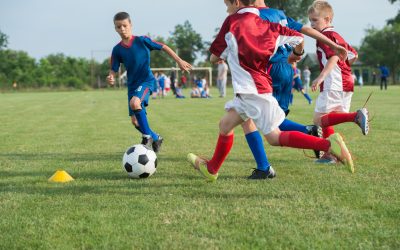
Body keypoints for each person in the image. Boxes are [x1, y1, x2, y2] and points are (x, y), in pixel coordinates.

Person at [187, 0, 354, 182]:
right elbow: (299, 37)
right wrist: (301, 54)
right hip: (253, 89)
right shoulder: (270, 26)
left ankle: (328, 145)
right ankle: (212, 169)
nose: (226, 9)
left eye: (227, 4)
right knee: (225, 125)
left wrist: (225, 53)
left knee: (275, 137)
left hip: (253, 91)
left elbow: (213, 57)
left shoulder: (232, 22)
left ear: (236, 2)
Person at [237, 0, 349, 179]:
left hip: (269, 69)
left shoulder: (253, 16)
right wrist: (300, 53)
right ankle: (308, 133)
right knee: (268, 118)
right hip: (286, 69)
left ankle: (264, 167)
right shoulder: (279, 14)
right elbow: (304, 33)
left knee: (259, 120)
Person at [107, 12, 192, 152]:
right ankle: (156, 137)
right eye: (118, 27)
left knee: (135, 103)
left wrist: (179, 60)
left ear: (131, 25)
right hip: (132, 86)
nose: (122, 29)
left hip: (146, 81)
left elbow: (163, 47)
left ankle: (147, 137)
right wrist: (110, 76)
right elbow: (113, 69)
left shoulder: (142, 40)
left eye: (124, 25)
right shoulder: (117, 50)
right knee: (135, 121)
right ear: (115, 28)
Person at [308, 1, 369, 163]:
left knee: (318, 120)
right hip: (346, 81)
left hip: (333, 82)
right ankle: (331, 155)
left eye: (315, 20)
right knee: (328, 118)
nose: (312, 24)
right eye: (310, 21)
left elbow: (335, 56)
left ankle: (355, 116)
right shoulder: (338, 36)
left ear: (327, 19)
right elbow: (353, 55)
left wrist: (321, 76)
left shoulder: (325, 36)